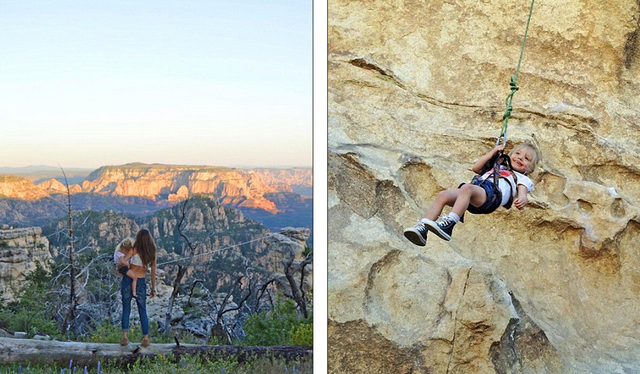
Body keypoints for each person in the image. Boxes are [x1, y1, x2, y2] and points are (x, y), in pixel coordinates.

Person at [404, 142, 539, 246]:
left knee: (467, 188)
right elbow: (476, 168)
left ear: (530, 169)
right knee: (443, 195)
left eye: (526, 159)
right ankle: (422, 229)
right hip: (473, 193)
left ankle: (449, 224)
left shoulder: (522, 179)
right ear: (510, 155)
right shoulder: (498, 166)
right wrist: (492, 153)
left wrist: (522, 200)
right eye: (518, 154)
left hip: (491, 197)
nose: (520, 158)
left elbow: (523, 193)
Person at [119, 228, 157, 347]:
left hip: (127, 279)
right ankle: (145, 338)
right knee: (142, 310)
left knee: (126, 309)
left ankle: (125, 337)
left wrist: (127, 265)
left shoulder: (134, 250)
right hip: (141, 281)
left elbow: (122, 262)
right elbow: (153, 272)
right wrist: (153, 288)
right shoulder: (152, 253)